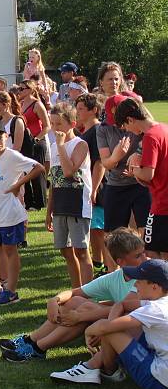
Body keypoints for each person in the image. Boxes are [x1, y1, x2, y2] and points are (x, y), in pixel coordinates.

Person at [0, 228, 146, 362]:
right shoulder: (117, 277)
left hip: (140, 331)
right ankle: (31, 341)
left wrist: (80, 316)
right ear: (121, 261)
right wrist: (53, 301)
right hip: (121, 323)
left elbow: (125, 308)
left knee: (85, 309)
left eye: (143, 253)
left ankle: (38, 348)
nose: (145, 258)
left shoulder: (147, 275)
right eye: (139, 255)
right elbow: (75, 292)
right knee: (75, 301)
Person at [49, 259, 168, 389]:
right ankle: (96, 366)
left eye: (140, 281)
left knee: (111, 331)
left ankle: (108, 371)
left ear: (155, 287)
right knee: (116, 324)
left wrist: (89, 331)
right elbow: (121, 305)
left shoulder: (154, 309)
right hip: (160, 363)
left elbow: (105, 328)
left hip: (158, 380)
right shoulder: (162, 302)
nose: (135, 284)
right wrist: (108, 325)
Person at [0, 119, 44, 305]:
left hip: (10, 214)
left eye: (0, 137)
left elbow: (39, 168)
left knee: (10, 251)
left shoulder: (13, 156)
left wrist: (18, 184)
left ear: (7, 137)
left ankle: (11, 291)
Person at [47, 103, 93, 288]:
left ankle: (88, 292)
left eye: (59, 124)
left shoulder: (80, 144)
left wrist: (60, 146)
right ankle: (77, 290)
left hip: (77, 205)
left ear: (72, 124)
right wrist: (49, 210)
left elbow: (68, 172)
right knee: (65, 251)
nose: (55, 128)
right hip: (60, 205)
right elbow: (54, 180)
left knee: (81, 251)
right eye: (52, 123)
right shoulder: (53, 145)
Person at [118, 98, 168, 259]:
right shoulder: (163, 128)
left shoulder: (150, 137)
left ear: (131, 119)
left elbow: (147, 174)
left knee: (151, 252)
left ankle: (160, 285)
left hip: (162, 204)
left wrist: (134, 169)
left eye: (126, 126)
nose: (128, 130)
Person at [97, 93, 150, 245]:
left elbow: (152, 135)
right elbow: (106, 163)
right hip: (116, 185)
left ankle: (143, 264)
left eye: (121, 121)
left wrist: (138, 155)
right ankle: (115, 268)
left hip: (140, 183)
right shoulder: (103, 129)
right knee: (112, 234)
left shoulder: (137, 124)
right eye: (114, 120)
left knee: (146, 230)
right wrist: (117, 156)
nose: (118, 125)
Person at [76, 94, 112, 274]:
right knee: (94, 228)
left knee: (101, 229)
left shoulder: (97, 130)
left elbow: (99, 163)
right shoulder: (85, 131)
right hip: (88, 185)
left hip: (99, 185)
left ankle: (108, 265)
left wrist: (95, 188)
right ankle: (99, 261)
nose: (77, 112)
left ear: (94, 110)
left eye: (81, 108)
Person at [18, 79, 51, 210]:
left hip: (37, 142)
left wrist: (37, 139)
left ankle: (40, 202)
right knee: (25, 172)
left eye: (22, 89)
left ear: (30, 90)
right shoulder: (20, 104)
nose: (19, 91)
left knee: (37, 173)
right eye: (19, 89)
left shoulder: (37, 105)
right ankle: (28, 201)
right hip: (25, 142)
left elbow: (47, 126)